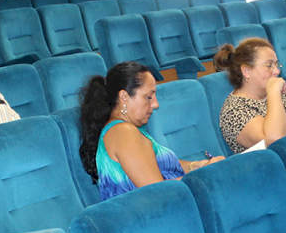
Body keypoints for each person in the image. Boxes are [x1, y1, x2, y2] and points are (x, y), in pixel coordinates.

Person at [79, 61, 222, 201]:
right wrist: (204, 175)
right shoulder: (123, 132)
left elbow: (159, 163)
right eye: (149, 97)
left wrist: (198, 165)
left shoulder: (128, 129)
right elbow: (159, 192)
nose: (155, 104)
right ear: (124, 97)